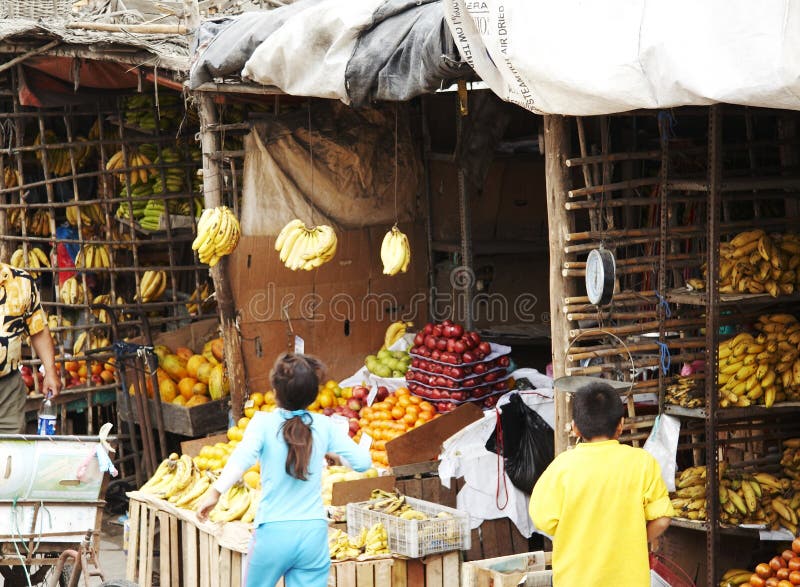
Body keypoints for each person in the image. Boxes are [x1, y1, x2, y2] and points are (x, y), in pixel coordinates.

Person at [196, 353, 371, 587]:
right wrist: (335, 456)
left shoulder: (262, 423)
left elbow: (242, 457)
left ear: (275, 392)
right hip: (313, 535)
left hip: (272, 534)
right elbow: (362, 462)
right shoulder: (324, 426)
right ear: (313, 395)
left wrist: (215, 492)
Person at [529, 381, 674, 586]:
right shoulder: (642, 463)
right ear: (621, 425)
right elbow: (662, 518)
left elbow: (543, 520)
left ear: (576, 428)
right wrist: (634, 543)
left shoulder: (561, 467)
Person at [0, 263, 60, 432]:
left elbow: (38, 329)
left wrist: (50, 371)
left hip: (7, 390)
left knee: (10, 450)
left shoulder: (21, 281)